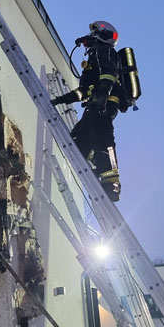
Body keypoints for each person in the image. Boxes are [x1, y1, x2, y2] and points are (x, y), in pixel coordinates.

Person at [51, 21, 122, 202]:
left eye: (93, 33)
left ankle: (112, 184)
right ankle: (93, 168)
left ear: (102, 35)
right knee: (77, 139)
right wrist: (60, 100)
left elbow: (109, 74)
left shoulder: (105, 52)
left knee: (104, 140)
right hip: (94, 105)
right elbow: (83, 91)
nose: (88, 38)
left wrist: (103, 96)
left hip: (105, 105)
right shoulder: (93, 60)